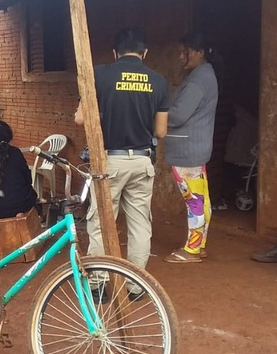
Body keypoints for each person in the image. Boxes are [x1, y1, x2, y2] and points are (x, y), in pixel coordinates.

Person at [74, 28, 168, 283]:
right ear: (144, 53)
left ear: (115, 53)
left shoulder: (100, 75)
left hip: (109, 163)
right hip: (142, 161)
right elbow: (160, 131)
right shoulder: (158, 81)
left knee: (101, 222)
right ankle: (137, 286)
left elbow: (81, 118)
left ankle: (99, 283)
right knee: (139, 225)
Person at [162, 32, 221, 263]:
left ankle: (192, 250)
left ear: (199, 52)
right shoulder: (204, 75)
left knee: (194, 200)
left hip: (188, 150)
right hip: (196, 147)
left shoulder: (198, 80)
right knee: (201, 198)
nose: (181, 56)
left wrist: (157, 112)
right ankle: (200, 244)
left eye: (185, 52)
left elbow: (177, 116)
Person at [0, 121, 38, 219]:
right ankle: (19, 214)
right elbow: (28, 179)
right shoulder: (16, 152)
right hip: (19, 205)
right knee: (31, 194)